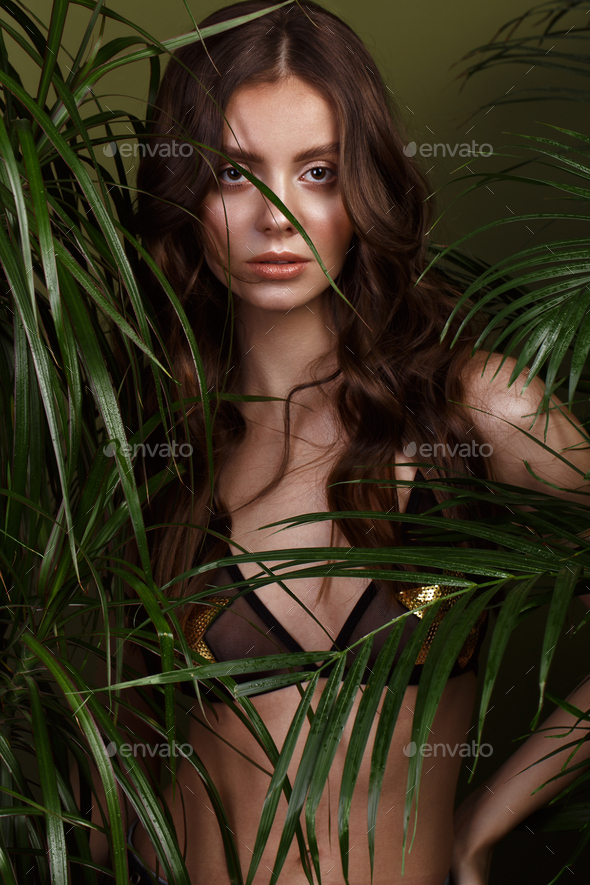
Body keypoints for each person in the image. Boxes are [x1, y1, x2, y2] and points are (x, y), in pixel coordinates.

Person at [90, 2, 590, 883]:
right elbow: (106, 772)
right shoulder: (154, 450)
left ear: (366, 191)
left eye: (318, 171)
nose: (278, 216)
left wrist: (483, 824)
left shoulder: (473, 410)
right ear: (186, 193)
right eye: (235, 174)